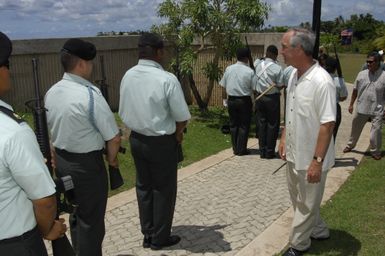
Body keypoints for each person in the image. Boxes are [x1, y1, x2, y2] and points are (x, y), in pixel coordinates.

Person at [45, 38, 121, 256]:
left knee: (77, 213)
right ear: (81, 64)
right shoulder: (90, 94)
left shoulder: (52, 92)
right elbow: (114, 138)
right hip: (87, 167)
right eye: (90, 62)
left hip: (62, 163)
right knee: (92, 223)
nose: (91, 66)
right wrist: (112, 161)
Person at [119, 32, 191, 250]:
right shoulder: (166, 79)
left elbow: (123, 111)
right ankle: (160, 238)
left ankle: (148, 233)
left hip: (137, 140)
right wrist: (178, 134)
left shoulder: (128, 75)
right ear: (159, 52)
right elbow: (182, 117)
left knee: (144, 187)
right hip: (161, 143)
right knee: (163, 190)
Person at [0, 32, 67, 255]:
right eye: (5, 64)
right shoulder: (12, 131)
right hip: (15, 244)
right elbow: (45, 200)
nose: (8, 71)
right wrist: (48, 229)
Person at [278, 28, 336, 256]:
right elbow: (291, 111)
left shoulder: (322, 82)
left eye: (284, 47)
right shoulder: (293, 75)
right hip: (293, 153)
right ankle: (319, 229)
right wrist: (283, 137)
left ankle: (298, 245)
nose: (281, 51)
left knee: (306, 203)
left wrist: (317, 161)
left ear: (299, 49)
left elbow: (328, 125)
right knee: (300, 199)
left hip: (312, 157)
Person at [343, 51, 385, 160]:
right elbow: (355, 90)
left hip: (378, 108)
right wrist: (351, 104)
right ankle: (350, 145)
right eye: (367, 61)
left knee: (375, 133)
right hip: (362, 107)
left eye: (370, 62)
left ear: (378, 62)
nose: (368, 64)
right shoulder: (361, 74)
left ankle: (375, 151)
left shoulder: (384, 76)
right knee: (355, 129)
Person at [220, 48, 255, 155]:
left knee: (233, 125)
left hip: (231, 100)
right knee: (244, 125)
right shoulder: (250, 71)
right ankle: (241, 149)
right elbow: (254, 88)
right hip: (244, 101)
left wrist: (224, 100)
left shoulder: (229, 69)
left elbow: (222, 86)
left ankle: (235, 148)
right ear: (247, 58)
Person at [254, 45, 284, 158]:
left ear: (266, 53)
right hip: (272, 99)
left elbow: (257, 62)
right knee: (272, 125)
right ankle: (269, 151)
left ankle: (262, 150)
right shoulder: (278, 68)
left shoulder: (257, 64)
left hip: (260, 98)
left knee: (261, 124)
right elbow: (280, 85)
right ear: (275, 55)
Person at [323, 56, 348, 142]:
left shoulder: (319, 77)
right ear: (335, 69)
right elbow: (343, 97)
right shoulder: (339, 80)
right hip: (334, 108)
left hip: (321, 107)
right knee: (333, 134)